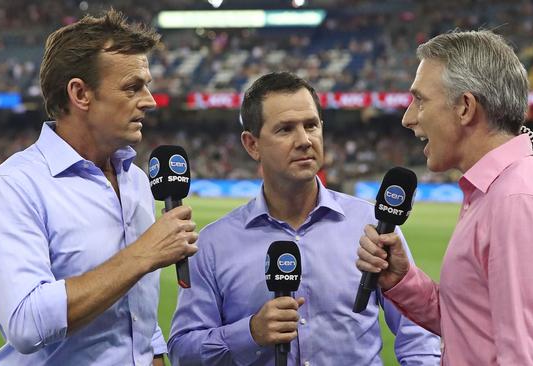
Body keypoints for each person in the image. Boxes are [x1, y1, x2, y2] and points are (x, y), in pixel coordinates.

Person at [356, 30, 533, 364]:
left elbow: (526, 358)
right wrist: (403, 280)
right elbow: (472, 326)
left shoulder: (516, 200)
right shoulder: (500, 190)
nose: (408, 117)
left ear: (465, 108)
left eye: (421, 100)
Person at [0, 9, 198, 365]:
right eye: (132, 87)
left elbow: (137, 314)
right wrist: (142, 255)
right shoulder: (15, 187)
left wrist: (155, 354)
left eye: (147, 85)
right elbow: (26, 324)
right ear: (80, 94)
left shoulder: (136, 180)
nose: (150, 100)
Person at [168, 71, 441, 365]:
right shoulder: (214, 244)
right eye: (285, 129)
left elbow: (417, 330)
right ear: (252, 145)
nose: (304, 140)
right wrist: (250, 333)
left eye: (311, 125)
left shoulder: (372, 226)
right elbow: (183, 351)